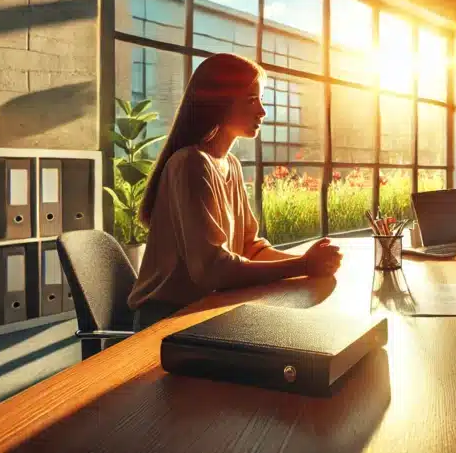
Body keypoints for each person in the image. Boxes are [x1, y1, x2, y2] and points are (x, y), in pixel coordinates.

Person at [128, 53, 343, 330]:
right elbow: (212, 271)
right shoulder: (190, 164)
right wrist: (302, 266)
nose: (262, 112)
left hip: (206, 310)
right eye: (252, 100)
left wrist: (310, 264)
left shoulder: (230, 164)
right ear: (219, 102)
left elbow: (250, 248)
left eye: (261, 99)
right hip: (167, 321)